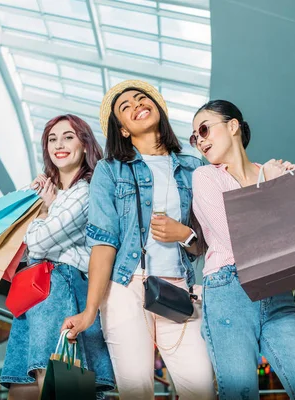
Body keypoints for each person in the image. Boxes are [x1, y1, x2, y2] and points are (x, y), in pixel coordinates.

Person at [61, 80, 215, 400]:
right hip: (125, 288)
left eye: (141, 98)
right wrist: (90, 311)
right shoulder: (110, 170)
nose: (136, 105)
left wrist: (184, 234)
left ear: (157, 108)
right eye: (125, 107)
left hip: (177, 289)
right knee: (136, 392)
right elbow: (104, 242)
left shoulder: (193, 167)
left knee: (200, 388)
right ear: (124, 129)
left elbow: (208, 241)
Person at [190, 100, 295, 399]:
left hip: (279, 293)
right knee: (239, 393)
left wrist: (288, 186)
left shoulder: (272, 171)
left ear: (232, 125)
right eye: (194, 137)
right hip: (229, 291)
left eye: (203, 129)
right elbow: (234, 237)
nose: (200, 140)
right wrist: (270, 186)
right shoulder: (206, 177)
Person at [0, 114, 114, 399]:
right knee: (22, 389)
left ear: (85, 145)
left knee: (58, 383)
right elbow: (6, 222)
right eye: (52, 139)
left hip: (60, 286)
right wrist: (34, 194)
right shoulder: (49, 190)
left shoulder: (85, 191)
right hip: (35, 291)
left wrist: (43, 211)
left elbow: (36, 244)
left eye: (68, 137)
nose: (59, 144)